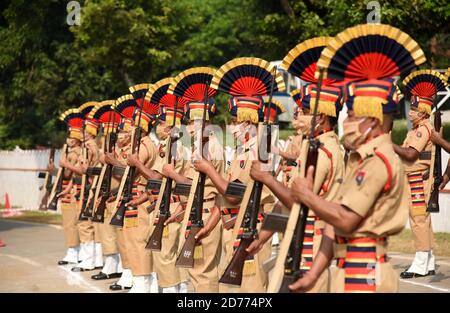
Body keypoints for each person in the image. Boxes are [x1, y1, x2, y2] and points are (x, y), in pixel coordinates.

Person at [163, 98, 224, 292]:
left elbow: (204, 188)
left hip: (206, 212)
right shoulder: (198, 148)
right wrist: (182, 210)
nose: (188, 126)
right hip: (193, 209)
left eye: (192, 121)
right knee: (195, 270)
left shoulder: (212, 146)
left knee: (203, 272)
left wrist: (173, 174)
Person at [394, 70, 448, 279]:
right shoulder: (417, 128)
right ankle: (428, 261)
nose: (410, 112)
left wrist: (390, 146)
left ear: (424, 111)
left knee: (418, 220)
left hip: (418, 180)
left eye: (414, 108)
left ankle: (420, 262)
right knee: (423, 220)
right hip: (416, 178)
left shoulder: (421, 129)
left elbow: (411, 153)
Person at [56, 108, 83, 265]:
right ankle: (72, 250)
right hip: (69, 190)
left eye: (72, 136)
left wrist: (65, 163)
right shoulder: (70, 152)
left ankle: (74, 251)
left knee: (71, 223)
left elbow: (68, 174)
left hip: (73, 191)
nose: (69, 139)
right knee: (68, 223)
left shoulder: (75, 153)